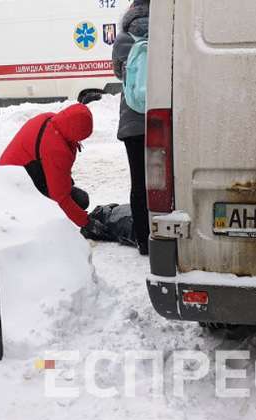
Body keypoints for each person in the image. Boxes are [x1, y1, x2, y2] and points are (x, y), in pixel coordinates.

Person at [0, 103, 103, 234]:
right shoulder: (56, 149)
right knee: (80, 200)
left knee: (75, 196)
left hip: (6, 175)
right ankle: (42, 222)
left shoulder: (49, 119)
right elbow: (60, 196)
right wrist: (87, 223)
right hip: (16, 188)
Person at [112, 0, 150, 255]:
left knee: (138, 182)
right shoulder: (167, 31)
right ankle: (168, 235)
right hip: (163, 116)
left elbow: (118, 74)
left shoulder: (123, 38)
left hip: (132, 120)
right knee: (166, 180)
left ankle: (144, 241)